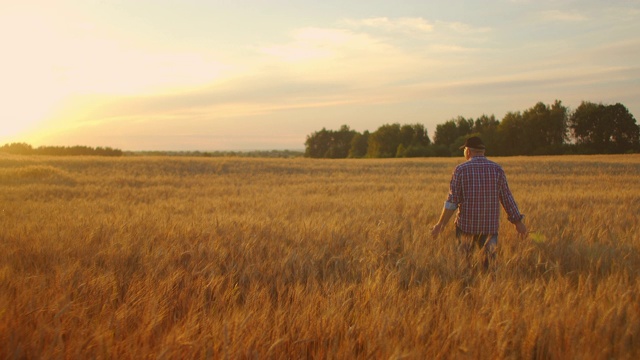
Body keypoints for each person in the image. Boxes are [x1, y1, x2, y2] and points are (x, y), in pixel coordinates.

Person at [430, 136, 527, 268]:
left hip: (465, 229)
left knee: (465, 266)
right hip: (489, 230)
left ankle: (468, 287)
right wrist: (518, 222)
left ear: (468, 151)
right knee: (489, 268)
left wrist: (440, 224)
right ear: (483, 151)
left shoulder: (461, 170)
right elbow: (507, 198)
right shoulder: (497, 169)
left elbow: (452, 202)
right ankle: (490, 288)